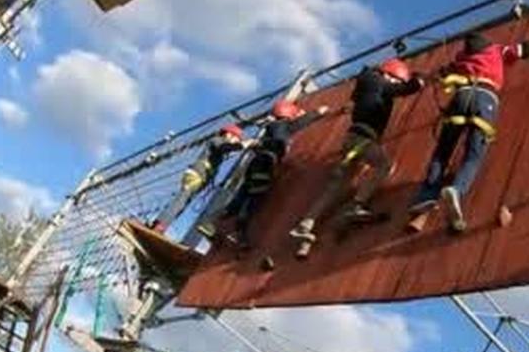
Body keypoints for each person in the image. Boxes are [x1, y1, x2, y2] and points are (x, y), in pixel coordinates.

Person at [289, 59, 424, 248]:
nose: (396, 84)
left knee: (337, 186)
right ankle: (356, 205)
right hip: (363, 139)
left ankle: (305, 224)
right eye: (396, 80)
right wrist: (416, 81)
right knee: (384, 165)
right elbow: (401, 90)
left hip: (351, 139)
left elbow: (357, 100)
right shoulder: (379, 83)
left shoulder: (366, 81)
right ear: (389, 75)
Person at [410, 32, 529, 231]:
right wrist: (527, 47)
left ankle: (427, 196)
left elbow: (438, 74)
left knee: (442, 152)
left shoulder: (461, 58)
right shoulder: (497, 50)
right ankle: (456, 190)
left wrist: (421, 77)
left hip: (460, 97)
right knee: (474, 154)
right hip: (485, 99)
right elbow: (523, 50)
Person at [212, 99, 331, 252]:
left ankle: (213, 221)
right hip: (266, 163)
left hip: (255, 164)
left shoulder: (270, 128)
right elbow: (305, 120)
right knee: (254, 199)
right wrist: (321, 110)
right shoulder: (284, 126)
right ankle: (238, 232)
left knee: (242, 195)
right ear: (288, 113)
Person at [150, 123, 252, 232]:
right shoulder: (217, 140)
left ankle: (161, 224)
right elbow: (225, 148)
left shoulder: (219, 146)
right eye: (236, 138)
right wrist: (244, 144)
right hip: (197, 174)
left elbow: (226, 150)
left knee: (183, 202)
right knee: (182, 199)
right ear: (228, 134)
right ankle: (160, 224)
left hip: (200, 177)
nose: (236, 141)